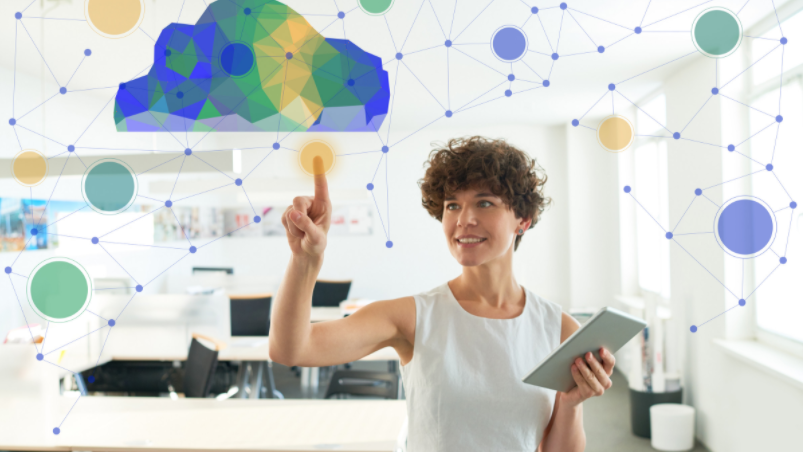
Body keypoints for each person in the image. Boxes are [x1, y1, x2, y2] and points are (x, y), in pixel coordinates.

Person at [270, 136, 616, 451]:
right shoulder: (411, 317)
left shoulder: (559, 329)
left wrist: (571, 403)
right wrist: (306, 260)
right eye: (452, 205)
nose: (464, 219)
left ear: (522, 219)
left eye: (484, 203)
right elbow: (291, 349)